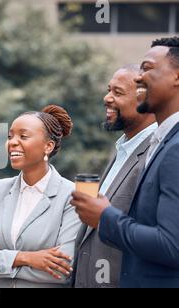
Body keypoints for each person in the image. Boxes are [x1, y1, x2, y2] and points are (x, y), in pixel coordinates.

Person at [71, 37, 179, 288]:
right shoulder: (159, 143)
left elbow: (172, 245)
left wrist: (104, 217)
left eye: (148, 68)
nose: (140, 78)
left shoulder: (174, 148)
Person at [0, 105, 81, 288]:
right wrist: (27, 258)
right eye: (10, 136)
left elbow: (62, 269)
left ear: (48, 146)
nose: (12, 142)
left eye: (23, 136)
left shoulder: (72, 196)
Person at [72, 65, 157, 288]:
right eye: (109, 90)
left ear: (146, 101)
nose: (107, 98)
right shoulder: (123, 149)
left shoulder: (155, 154)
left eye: (117, 93)